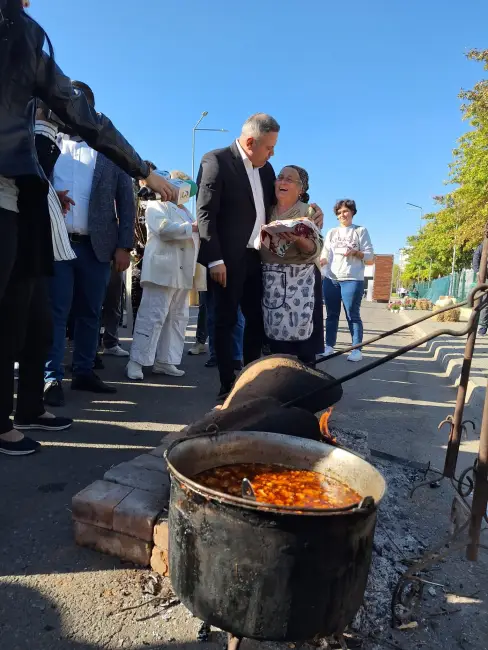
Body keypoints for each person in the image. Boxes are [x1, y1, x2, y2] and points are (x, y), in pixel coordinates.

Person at [0, 0, 176, 455]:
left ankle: (29, 407)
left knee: (35, 317)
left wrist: (138, 172)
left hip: (20, 202)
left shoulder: (22, 40)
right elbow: (83, 113)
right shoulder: (22, 38)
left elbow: (82, 116)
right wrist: (145, 171)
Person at [197, 113, 324, 399]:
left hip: (258, 260)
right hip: (227, 262)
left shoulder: (266, 170)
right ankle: (228, 385)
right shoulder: (216, 161)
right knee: (226, 319)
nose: (273, 153)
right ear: (251, 142)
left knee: (258, 321)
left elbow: (284, 201)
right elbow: (205, 213)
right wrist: (215, 259)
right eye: (269, 147)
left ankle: (252, 378)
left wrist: (312, 210)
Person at [44, 81, 137, 407]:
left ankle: (83, 371)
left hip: (96, 246)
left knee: (89, 312)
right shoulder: (48, 141)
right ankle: (51, 377)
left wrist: (125, 245)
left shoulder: (109, 149)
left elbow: (127, 200)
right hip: (56, 243)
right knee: (56, 311)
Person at [126, 171, 206, 381]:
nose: (185, 195)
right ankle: (136, 361)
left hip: (183, 273)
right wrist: (192, 228)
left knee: (177, 318)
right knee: (152, 316)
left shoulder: (187, 213)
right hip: (163, 270)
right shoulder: (157, 205)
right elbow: (163, 230)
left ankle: (165, 360)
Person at [260, 166, 324, 364]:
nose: (283, 182)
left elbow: (315, 249)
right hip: (271, 278)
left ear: (301, 189)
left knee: (302, 342)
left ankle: (306, 385)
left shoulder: (308, 211)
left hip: (301, 279)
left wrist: (298, 239)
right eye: (280, 178)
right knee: (275, 338)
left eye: (290, 179)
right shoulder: (265, 209)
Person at [320, 199, 374, 362]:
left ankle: (356, 349)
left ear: (352, 212)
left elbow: (370, 257)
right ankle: (329, 346)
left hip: (352, 279)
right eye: (339, 212)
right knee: (331, 315)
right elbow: (325, 253)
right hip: (331, 279)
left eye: (345, 211)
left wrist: (355, 253)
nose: (342, 215)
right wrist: (321, 261)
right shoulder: (332, 232)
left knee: (352, 314)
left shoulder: (360, 231)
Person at [100, 265, 129, 357]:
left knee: (113, 303)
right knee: (91, 305)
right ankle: (88, 347)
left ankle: (110, 344)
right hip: (91, 257)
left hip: (113, 258)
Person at [472, 241, 488, 336]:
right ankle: (483, 326)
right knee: (485, 302)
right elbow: (475, 259)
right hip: (485, 278)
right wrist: (478, 272)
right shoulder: (482, 246)